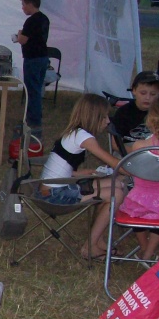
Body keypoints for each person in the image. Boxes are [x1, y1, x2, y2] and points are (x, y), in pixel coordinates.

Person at [36, 93, 126, 260]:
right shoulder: (85, 137)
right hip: (55, 195)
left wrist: (79, 173)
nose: (108, 121)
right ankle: (90, 246)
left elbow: (59, 163)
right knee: (117, 193)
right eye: (104, 117)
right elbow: (114, 163)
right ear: (93, 116)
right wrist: (135, 168)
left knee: (117, 184)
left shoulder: (75, 132)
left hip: (52, 188)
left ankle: (97, 240)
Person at [119, 94, 159, 260]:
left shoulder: (139, 146)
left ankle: (144, 248)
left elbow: (132, 170)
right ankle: (149, 251)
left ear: (150, 119)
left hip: (138, 199)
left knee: (135, 215)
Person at [14, 0, 50, 135]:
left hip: (33, 58)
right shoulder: (44, 19)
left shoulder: (31, 20)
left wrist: (19, 35)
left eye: (23, 5)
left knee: (32, 91)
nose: (22, 8)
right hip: (42, 57)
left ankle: (33, 121)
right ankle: (35, 117)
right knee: (37, 89)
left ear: (30, 4)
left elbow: (23, 40)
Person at [110, 71, 159, 154]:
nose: (147, 97)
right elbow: (115, 144)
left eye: (153, 94)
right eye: (143, 93)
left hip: (155, 150)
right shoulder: (124, 112)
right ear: (134, 90)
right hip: (127, 151)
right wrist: (140, 155)